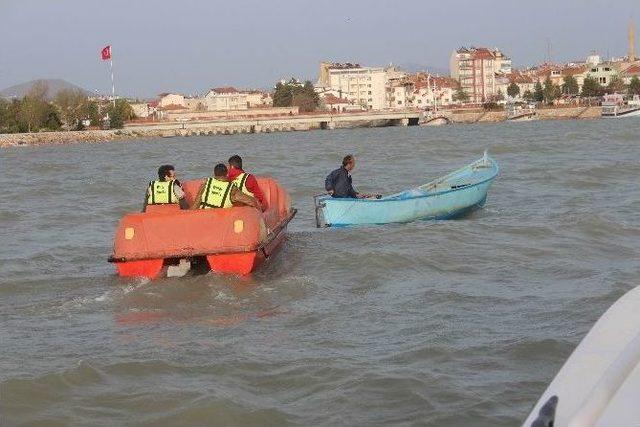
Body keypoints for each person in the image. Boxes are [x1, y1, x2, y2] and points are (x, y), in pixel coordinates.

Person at [192, 163, 260, 209]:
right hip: (220, 222)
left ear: (214, 174)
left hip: (203, 219)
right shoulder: (231, 189)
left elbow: (195, 205)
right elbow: (252, 202)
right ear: (227, 174)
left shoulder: (205, 183)